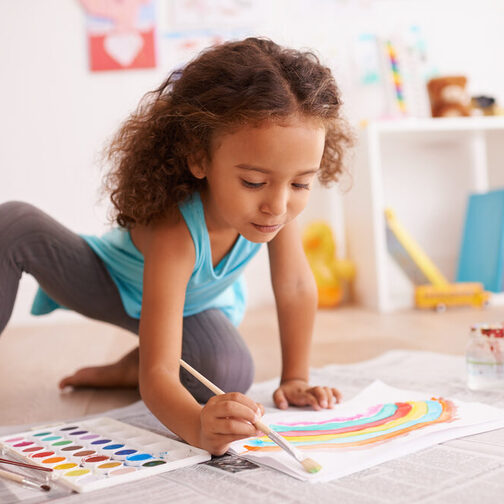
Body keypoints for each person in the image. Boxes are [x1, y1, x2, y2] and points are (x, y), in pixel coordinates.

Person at [0, 37, 352, 455]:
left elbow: (294, 286)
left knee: (229, 370)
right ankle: (141, 356)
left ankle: (128, 364)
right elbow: (160, 376)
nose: (277, 204)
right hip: (107, 283)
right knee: (15, 223)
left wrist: (295, 378)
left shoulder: (276, 209)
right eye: (254, 182)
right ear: (198, 157)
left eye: (300, 183)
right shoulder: (176, 232)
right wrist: (196, 428)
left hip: (188, 307)